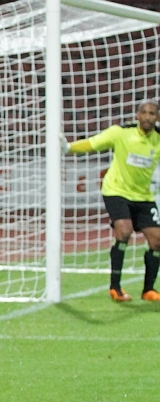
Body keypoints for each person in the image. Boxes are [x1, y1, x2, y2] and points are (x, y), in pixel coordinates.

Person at [61, 101, 160, 301]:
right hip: (116, 190)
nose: (148, 117)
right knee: (124, 230)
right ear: (138, 115)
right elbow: (94, 143)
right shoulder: (120, 132)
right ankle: (115, 287)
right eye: (144, 113)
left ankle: (148, 289)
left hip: (143, 196)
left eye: (152, 114)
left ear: (157, 117)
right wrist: (69, 148)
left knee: (157, 240)